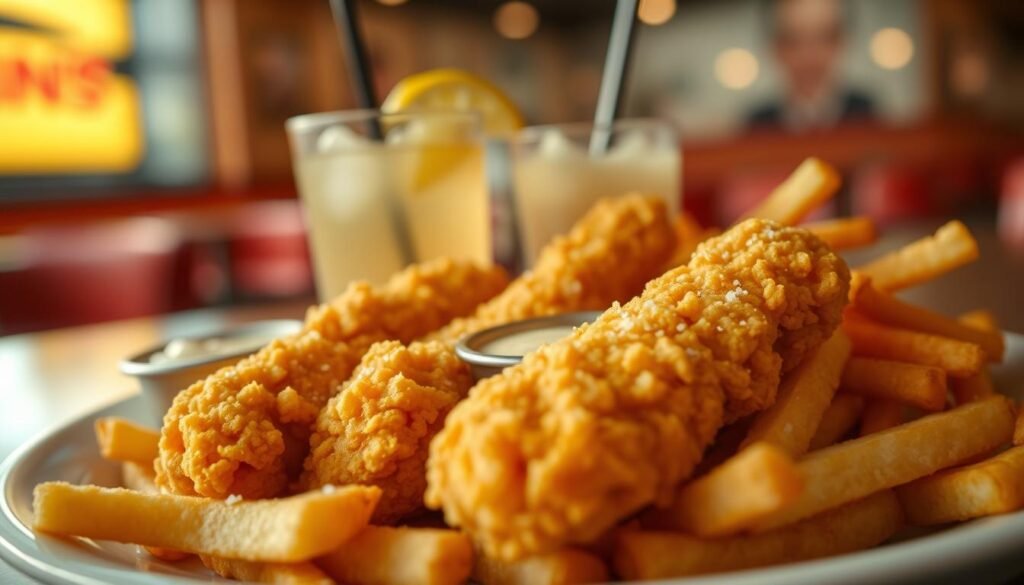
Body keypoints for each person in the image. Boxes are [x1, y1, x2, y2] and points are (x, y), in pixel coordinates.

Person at [748, 0, 875, 131]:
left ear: (843, 42)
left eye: (824, 39)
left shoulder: (870, 118)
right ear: (774, 48)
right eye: (793, 41)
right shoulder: (756, 128)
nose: (809, 57)